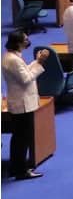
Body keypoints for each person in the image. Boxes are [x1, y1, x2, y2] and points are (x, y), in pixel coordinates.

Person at [3, 31, 49, 180]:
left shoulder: (11, 57)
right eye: (26, 39)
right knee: (22, 138)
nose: (28, 41)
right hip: (22, 104)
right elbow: (26, 78)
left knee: (18, 138)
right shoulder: (13, 60)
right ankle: (21, 170)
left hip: (19, 102)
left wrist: (36, 61)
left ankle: (16, 167)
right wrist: (40, 63)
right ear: (18, 43)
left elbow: (25, 72)